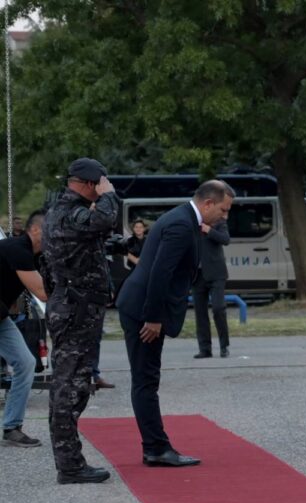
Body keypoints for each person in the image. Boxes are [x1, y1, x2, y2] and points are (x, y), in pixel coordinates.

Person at [116, 180, 234, 467]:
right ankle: (155, 448)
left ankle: (155, 445)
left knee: (146, 378)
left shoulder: (180, 217)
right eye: (223, 209)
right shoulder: (182, 224)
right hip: (143, 310)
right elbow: (159, 273)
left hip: (141, 305)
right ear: (208, 203)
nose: (225, 217)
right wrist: (153, 317)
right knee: (145, 380)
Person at [43, 158, 118, 484]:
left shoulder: (67, 212)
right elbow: (105, 220)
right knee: (69, 386)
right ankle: (70, 465)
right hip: (76, 309)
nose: (102, 189)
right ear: (89, 184)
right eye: (100, 184)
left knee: (74, 383)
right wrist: (109, 195)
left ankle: (71, 462)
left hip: (77, 307)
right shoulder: (71, 212)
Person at [0, 211, 47, 448]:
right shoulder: (18, 249)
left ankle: (12, 427)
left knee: (25, 363)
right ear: (36, 230)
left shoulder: (35, 255)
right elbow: (42, 293)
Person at [192, 216, 231, 359]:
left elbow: (226, 240)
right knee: (200, 314)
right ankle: (205, 349)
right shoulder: (192, 224)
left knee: (218, 308)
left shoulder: (219, 222)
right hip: (197, 276)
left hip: (216, 273)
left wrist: (209, 231)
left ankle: (224, 346)